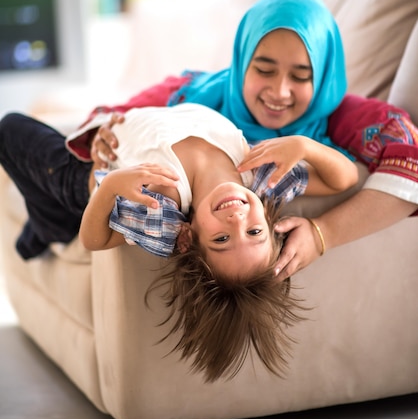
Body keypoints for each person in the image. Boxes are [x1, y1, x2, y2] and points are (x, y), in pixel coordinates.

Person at [66, 0, 418, 278]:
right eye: (264, 70)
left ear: (324, 74)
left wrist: (323, 233)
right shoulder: (197, 90)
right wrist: (105, 133)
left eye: (300, 76)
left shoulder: (345, 115)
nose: (280, 91)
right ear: (242, 61)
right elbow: (114, 116)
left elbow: (409, 160)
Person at [0, 103, 358, 383]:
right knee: (38, 194)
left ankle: (48, 225)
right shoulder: (260, 172)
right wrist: (306, 146)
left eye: (221, 239)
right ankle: (43, 225)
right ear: (267, 218)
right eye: (254, 233)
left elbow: (93, 239)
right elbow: (345, 178)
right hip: (129, 126)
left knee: (10, 129)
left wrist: (108, 188)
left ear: (188, 236)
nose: (237, 221)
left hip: (81, 185)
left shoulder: (163, 203)